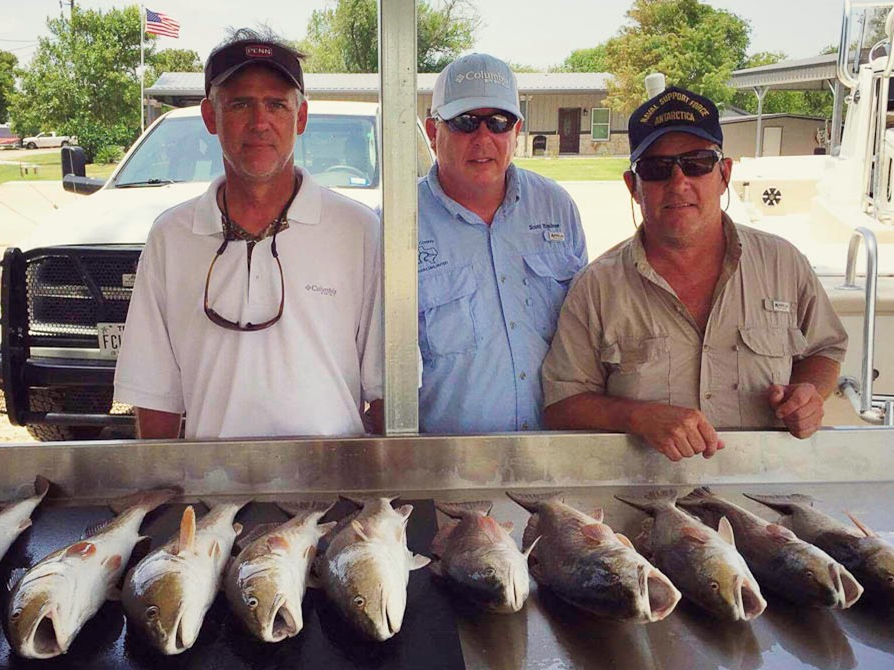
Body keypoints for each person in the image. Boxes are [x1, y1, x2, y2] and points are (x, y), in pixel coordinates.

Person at [541, 87, 847, 461]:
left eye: (698, 162)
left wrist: (809, 393)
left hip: (765, 498)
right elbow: (562, 403)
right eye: (656, 169)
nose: (678, 181)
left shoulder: (783, 263)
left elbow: (824, 349)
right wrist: (637, 417)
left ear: (724, 173)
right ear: (633, 187)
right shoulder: (598, 286)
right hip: (648, 504)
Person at [113, 29, 383, 439]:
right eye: (240, 104)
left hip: (335, 488)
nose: (260, 123)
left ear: (301, 117)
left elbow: (384, 390)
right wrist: (166, 494)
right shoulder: (171, 236)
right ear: (210, 116)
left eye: (276, 104)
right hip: (212, 491)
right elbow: (154, 395)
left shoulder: (359, 230)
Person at [417, 53, 588, 433]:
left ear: (517, 130)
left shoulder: (557, 207)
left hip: (551, 460)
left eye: (499, 122)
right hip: (449, 471)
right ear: (433, 131)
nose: (483, 138)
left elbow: (587, 341)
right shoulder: (397, 225)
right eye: (465, 123)